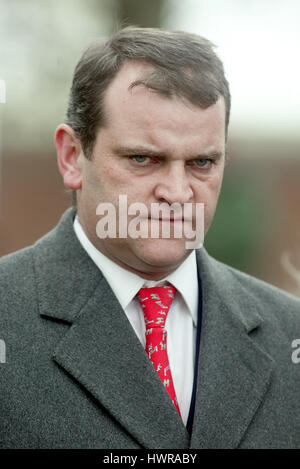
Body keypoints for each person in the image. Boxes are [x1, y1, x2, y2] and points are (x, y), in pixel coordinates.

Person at [1, 26, 300, 450]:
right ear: (72, 157)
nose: (177, 193)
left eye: (201, 163)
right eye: (143, 158)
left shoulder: (289, 334)